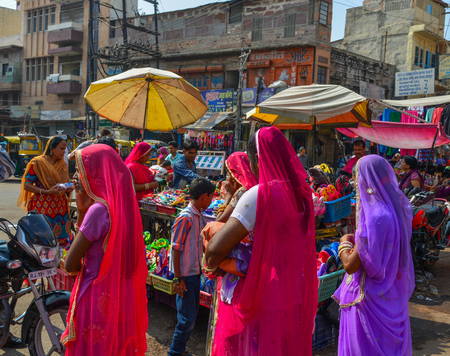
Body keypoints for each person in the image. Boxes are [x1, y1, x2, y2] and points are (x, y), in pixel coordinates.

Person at [205, 127, 317, 355]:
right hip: (287, 293)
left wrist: (211, 260)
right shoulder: (301, 196)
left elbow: (215, 250)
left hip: (255, 296)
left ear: (256, 159)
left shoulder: (260, 194)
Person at [61, 144, 148, 355]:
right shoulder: (122, 205)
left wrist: (83, 213)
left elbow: (71, 263)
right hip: (122, 295)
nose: (75, 175)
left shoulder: (99, 210)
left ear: (95, 172)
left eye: (80, 169)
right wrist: (83, 210)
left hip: (96, 296)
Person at [333, 155, 414, 356]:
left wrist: (343, 243)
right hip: (391, 296)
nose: (355, 183)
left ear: (366, 180)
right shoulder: (395, 212)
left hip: (367, 301)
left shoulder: (374, 216)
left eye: (356, 178)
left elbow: (350, 265)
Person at [168, 177, 216, 356]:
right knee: (186, 319)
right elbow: (176, 248)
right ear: (204, 196)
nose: (212, 200)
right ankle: (174, 352)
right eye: (211, 196)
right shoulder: (186, 217)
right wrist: (178, 278)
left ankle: (179, 350)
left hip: (195, 274)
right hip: (185, 276)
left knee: (191, 315)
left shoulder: (199, 215)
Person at [17, 136, 74, 248]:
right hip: (42, 207)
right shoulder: (38, 163)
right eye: (61, 148)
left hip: (60, 209)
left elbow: (66, 183)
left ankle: (59, 263)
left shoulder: (63, 165)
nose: (64, 151)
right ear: (51, 148)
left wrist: (68, 189)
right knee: (42, 241)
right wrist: (47, 191)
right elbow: (27, 185)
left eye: (65, 149)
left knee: (61, 243)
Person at [216, 152, 258, 223]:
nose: (228, 177)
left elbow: (219, 219)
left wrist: (229, 194)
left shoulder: (242, 191)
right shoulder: (257, 185)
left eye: (229, 172)